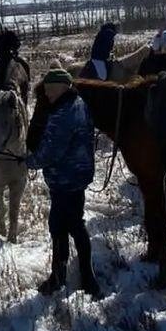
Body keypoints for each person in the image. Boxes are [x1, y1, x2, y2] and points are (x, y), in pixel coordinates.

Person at [26, 66, 103, 300]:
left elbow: (50, 152)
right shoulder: (78, 104)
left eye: (49, 89)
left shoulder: (62, 115)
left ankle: (61, 279)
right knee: (74, 224)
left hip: (64, 179)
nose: (47, 94)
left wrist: (28, 162)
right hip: (77, 176)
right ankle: (85, 278)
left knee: (60, 226)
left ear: (61, 87)